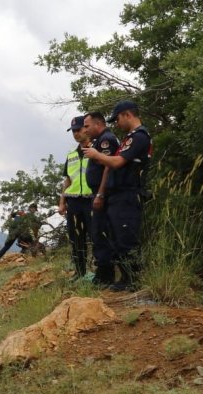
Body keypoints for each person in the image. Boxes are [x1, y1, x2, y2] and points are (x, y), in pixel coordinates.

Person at [83, 100, 152, 291]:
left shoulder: (139, 136)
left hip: (128, 193)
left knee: (126, 237)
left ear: (127, 115)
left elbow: (117, 162)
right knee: (117, 238)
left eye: (118, 119)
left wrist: (96, 154)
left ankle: (133, 279)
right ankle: (125, 277)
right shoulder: (129, 137)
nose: (117, 123)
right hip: (118, 194)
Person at [82, 111, 121, 286]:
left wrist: (100, 193)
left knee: (101, 232)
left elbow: (108, 167)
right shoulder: (99, 141)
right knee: (97, 232)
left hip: (102, 193)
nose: (85, 130)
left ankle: (105, 275)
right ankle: (103, 273)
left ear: (98, 124)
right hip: (97, 192)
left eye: (87, 126)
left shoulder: (107, 139)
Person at [58, 116, 94, 278]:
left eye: (78, 130)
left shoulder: (96, 150)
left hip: (91, 200)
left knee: (95, 236)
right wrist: (62, 202)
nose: (75, 134)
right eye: (73, 131)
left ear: (86, 129)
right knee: (76, 238)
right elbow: (67, 180)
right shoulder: (71, 155)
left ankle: (101, 273)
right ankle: (79, 272)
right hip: (73, 202)